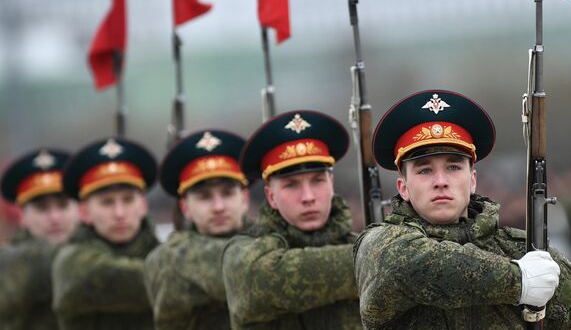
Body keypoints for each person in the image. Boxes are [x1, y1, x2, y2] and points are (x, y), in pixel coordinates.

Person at [354, 89, 571, 329]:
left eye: (454, 167)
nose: (441, 181)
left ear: (473, 180)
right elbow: (408, 266)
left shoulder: (524, 253)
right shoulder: (381, 247)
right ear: (403, 187)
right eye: (424, 170)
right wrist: (520, 281)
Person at [222, 111, 362, 329]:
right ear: (271, 197)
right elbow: (267, 280)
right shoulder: (244, 252)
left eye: (317, 181)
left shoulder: (361, 244)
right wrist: (376, 261)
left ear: (331, 183)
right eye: (291, 185)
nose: (308, 197)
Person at [144, 129, 251, 330]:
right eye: (204, 197)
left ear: (244, 198)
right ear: (185, 207)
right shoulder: (170, 257)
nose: (218, 206)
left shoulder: (267, 237)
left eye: (227, 193)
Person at [51, 137, 159, 330]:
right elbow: (155, 279)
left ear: (143, 205)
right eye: (107, 202)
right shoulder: (72, 262)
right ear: (84, 212)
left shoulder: (160, 251)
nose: (119, 213)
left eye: (128, 200)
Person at [0, 149, 79, 330]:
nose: (54, 217)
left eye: (63, 205)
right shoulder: (9, 260)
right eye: (42, 209)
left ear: (80, 209)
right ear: (22, 215)